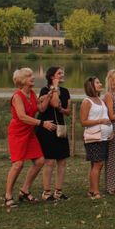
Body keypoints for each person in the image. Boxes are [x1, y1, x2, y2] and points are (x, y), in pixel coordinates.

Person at [4, 68, 56, 207]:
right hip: (17, 132)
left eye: (32, 75)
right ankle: (8, 195)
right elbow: (21, 116)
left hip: (29, 132)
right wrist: (42, 123)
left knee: (39, 161)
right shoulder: (17, 96)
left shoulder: (32, 93)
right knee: (18, 164)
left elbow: (41, 109)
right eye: (29, 76)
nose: (33, 78)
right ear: (22, 81)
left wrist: (49, 96)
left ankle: (24, 190)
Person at [36, 66, 71, 201]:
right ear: (52, 77)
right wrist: (55, 88)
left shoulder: (66, 91)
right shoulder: (45, 90)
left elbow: (67, 110)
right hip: (47, 128)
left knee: (62, 160)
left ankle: (58, 191)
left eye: (62, 73)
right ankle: (46, 192)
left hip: (60, 128)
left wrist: (63, 109)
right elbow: (55, 103)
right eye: (59, 73)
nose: (62, 75)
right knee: (49, 161)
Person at [79, 76, 113, 199]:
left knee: (97, 164)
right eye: (97, 82)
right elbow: (83, 122)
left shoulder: (100, 100)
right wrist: (100, 121)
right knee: (98, 163)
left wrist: (110, 129)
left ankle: (92, 190)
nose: (100, 84)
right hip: (94, 137)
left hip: (104, 137)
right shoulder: (87, 102)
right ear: (91, 86)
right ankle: (96, 192)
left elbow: (106, 116)